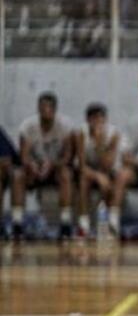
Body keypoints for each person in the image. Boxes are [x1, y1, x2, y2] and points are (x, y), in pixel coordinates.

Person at [11, 92, 76, 241]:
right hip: (34, 167)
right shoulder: (28, 126)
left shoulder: (65, 126)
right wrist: (32, 165)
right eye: (42, 107)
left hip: (55, 168)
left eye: (49, 107)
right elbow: (24, 155)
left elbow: (68, 156)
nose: (45, 111)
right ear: (38, 109)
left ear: (55, 110)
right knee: (17, 175)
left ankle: (65, 224)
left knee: (66, 175)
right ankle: (17, 225)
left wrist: (53, 164)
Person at [76, 103, 133, 239]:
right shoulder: (81, 134)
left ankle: (112, 221)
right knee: (84, 181)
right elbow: (82, 166)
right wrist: (97, 176)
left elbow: (107, 165)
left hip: (111, 169)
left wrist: (100, 143)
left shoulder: (113, 134)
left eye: (101, 119)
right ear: (88, 120)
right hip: (92, 171)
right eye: (94, 119)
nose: (98, 123)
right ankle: (84, 224)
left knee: (117, 179)